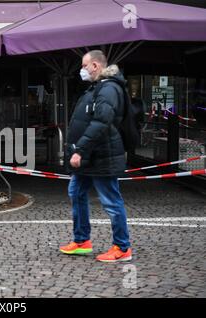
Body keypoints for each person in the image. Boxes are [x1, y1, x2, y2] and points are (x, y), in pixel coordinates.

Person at [59, 50, 132, 262]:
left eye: (84, 66)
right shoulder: (97, 87)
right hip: (92, 156)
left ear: (95, 66)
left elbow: (101, 122)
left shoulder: (108, 89)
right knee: (76, 192)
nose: (82, 70)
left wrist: (80, 150)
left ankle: (122, 247)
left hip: (102, 156)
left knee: (110, 200)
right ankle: (82, 241)